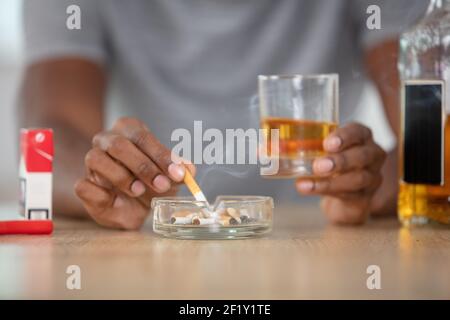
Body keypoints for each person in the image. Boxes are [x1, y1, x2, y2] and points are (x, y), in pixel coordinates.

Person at [20, 0, 428, 229]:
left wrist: (375, 183)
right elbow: (42, 145)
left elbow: (429, 146)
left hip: (323, 241)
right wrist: (102, 178)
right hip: (149, 249)